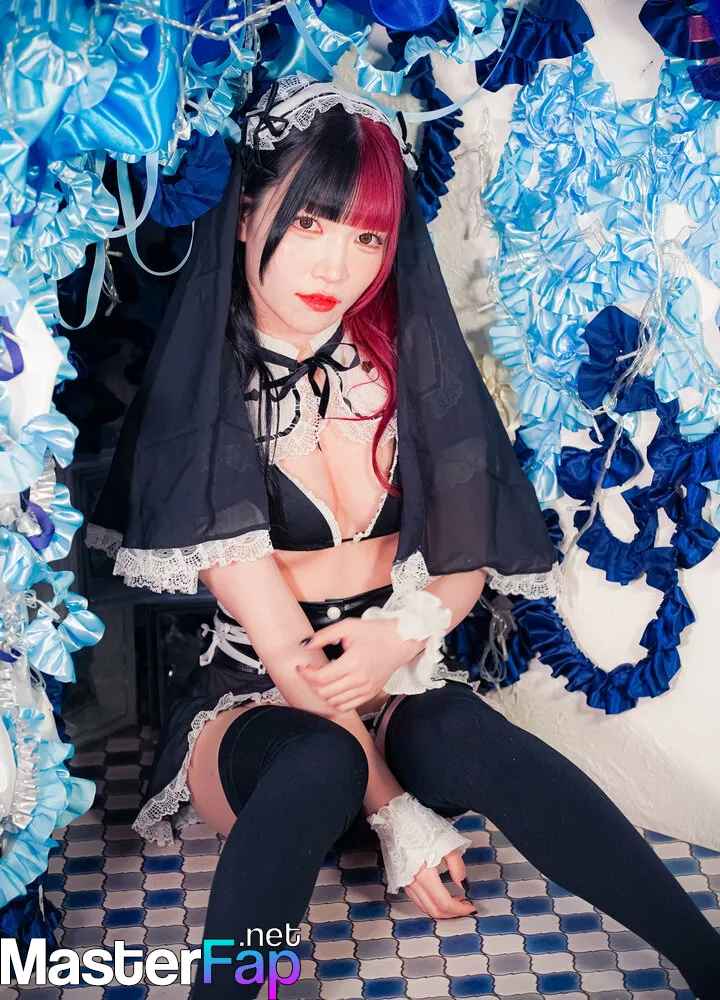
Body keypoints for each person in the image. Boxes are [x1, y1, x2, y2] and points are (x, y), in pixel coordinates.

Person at [87, 73, 720, 998]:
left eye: (367, 237)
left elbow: (463, 556)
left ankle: (706, 959)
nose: (336, 267)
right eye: (310, 223)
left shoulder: (397, 369)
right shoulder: (206, 402)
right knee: (324, 759)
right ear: (246, 216)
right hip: (261, 712)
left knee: (461, 723)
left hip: (395, 683)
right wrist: (398, 818)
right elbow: (287, 651)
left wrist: (404, 632)